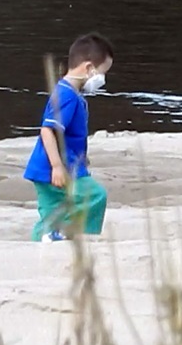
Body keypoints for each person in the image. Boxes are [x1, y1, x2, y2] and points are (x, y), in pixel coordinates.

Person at [23, 33, 114, 242]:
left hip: (52, 165)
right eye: (102, 73)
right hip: (58, 167)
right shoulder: (67, 95)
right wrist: (56, 166)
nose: (102, 79)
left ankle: (44, 238)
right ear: (88, 68)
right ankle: (66, 231)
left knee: (52, 208)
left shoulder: (69, 93)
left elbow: (70, 134)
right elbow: (48, 130)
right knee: (95, 195)